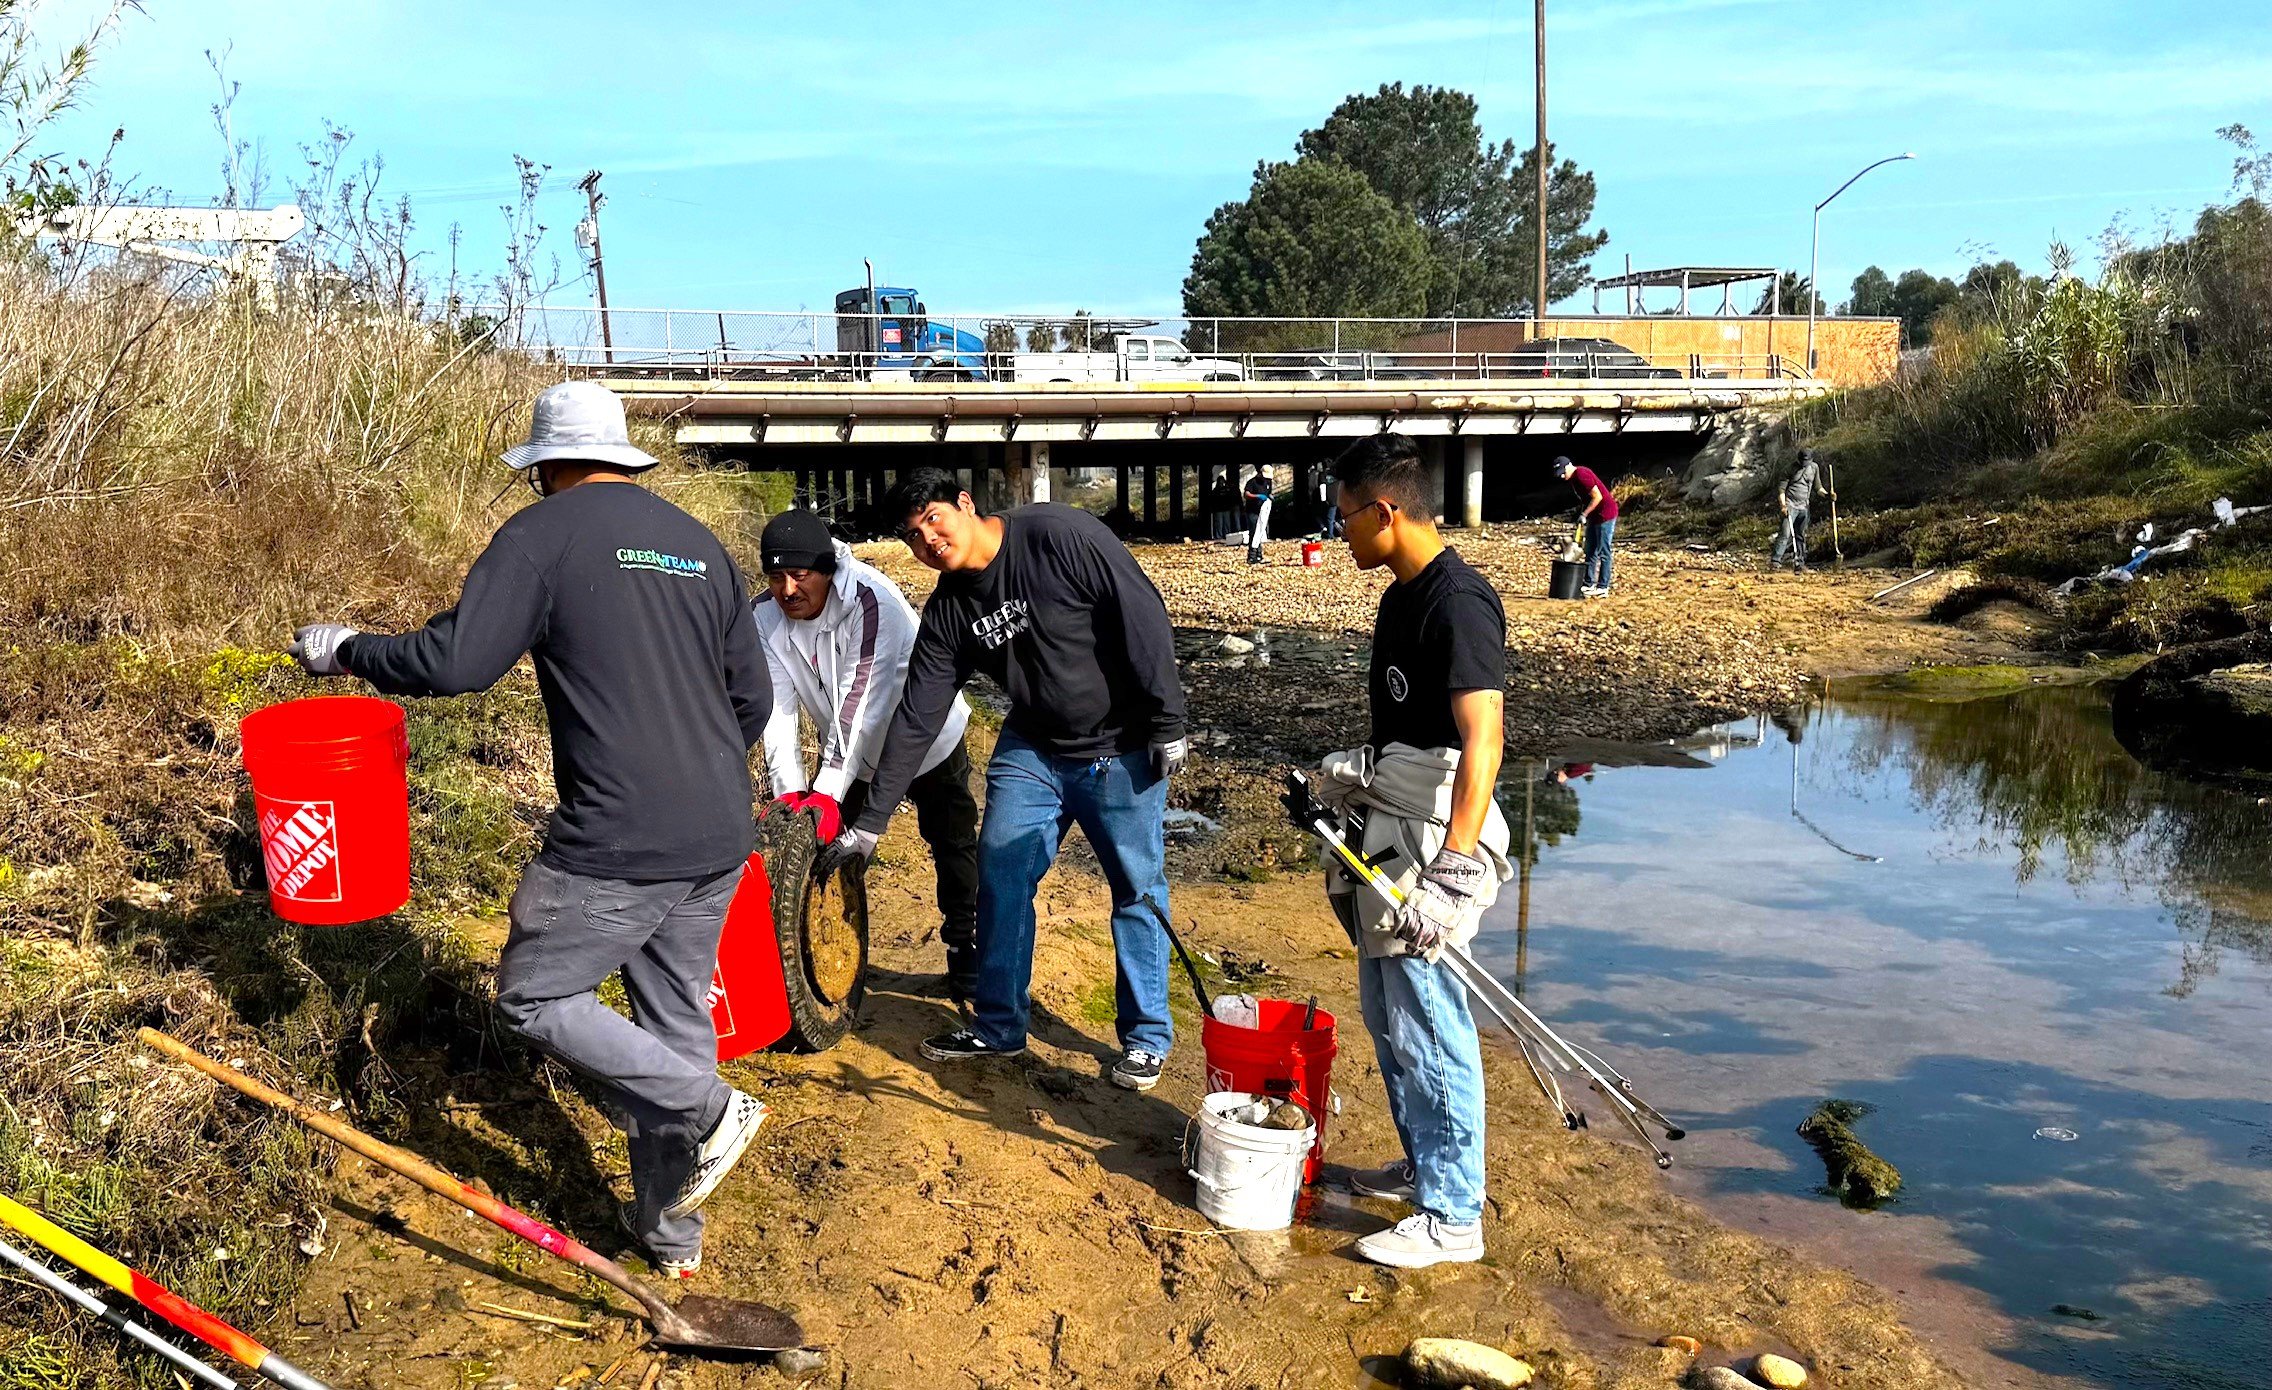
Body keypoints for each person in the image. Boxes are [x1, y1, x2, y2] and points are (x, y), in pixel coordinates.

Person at [286, 382, 773, 1281]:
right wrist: (693, 774)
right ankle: (671, 1243)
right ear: (624, 457)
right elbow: (754, 697)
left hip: (617, 840)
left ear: (545, 467)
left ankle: (707, 1111)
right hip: (717, 832)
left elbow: (458, 662)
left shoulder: (541, 537)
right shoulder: (700, 548)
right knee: (672, 1023)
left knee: (533, 998)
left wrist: (347, 648)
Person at [816, 469, 1189, 1092]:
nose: (929, 541)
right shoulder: (950, 611)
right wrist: (871, 821)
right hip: (1035, 747)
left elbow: (1140, 609)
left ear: (965, 504)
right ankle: (999, 1024)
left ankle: (1146, 1037)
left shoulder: (1058, 534)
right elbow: (917, 714)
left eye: (934, 520)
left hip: (1121, 745)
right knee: (1001, 871)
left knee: (1136, 886)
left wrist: (1168, 718)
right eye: (913, 536)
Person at [1314, 432, 1513, 1269]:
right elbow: (1407, 732)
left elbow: (1484, 742)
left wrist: (1454, 874)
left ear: (1386, 511)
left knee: (1430, 1023)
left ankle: (1453, 1216)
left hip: (1435, 840)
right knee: (1389, 1018)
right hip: (1390, 819)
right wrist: (1345, 781)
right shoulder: (1400, 597)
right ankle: (1428, 1165)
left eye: (1344, 515)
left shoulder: (1457, 601)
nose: (1337, 531)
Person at [752, 509, 981, 1006]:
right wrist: (790, 791)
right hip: (852, 756)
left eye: (799, 575)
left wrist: (828, 791)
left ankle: (967, 955)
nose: (787, 589)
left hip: (924, 741)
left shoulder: (870, 602)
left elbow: (860, 705)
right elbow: (777, 710)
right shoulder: (765, 619)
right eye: (775, 577)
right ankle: (827, 958)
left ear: (826, 570)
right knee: (827, 849)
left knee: (952, 842)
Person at [1553, 456, 1618, 597]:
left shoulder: (1582, 474)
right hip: (1594, 516)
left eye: (1563, 472)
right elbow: (1586, 499)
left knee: (1603, 551)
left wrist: (1584, 514)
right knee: (1590, 550)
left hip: (1606, 513)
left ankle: (1603, 586)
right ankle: (1589, 583)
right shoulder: (1573, 480)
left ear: (1569, 466)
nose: (1563, 476)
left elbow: (1597, 497)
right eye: (1560, 474)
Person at [1771, 449, 1831, 572]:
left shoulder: (1814, 468)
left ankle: (1800, 562)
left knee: (1800, 535)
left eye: (1806, 461)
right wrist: (1783, 505)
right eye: (1802, 461)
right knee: (1785, 534)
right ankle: (1775, 562)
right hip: (1790, 505)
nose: (1804, 463)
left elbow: (1818, 487)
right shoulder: (1790, 469)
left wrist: (1827, 495)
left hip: (1804, 506)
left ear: (1811, 460)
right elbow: (1781, 490)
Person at [1244, 466, 1274, 565]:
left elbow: (1268, 492)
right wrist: (1257, 496)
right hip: (1252, 511)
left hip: (1262, 511)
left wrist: (1269, 497)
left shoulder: (1268, 482)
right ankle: (1251, 556)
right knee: (1254, 532)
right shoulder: (1252, 482)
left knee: (1260, 532)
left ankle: (1259, 555)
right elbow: (1246, 494)